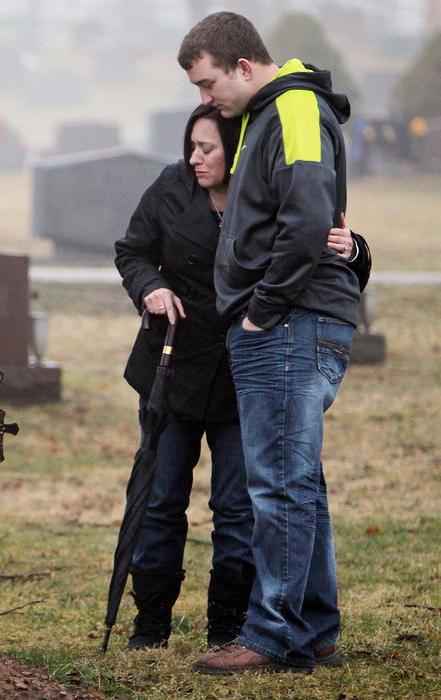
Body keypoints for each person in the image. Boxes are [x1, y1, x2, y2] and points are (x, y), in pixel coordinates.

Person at [114, 105, 370, 652]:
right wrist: (149, 287)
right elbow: (132, 250)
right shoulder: (171, 187)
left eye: (207, 148)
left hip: (245, 372)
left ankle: (229, 629)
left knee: (237, 509)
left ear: (238, 148)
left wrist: (355, 248)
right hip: (172, 369)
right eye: (191, 146)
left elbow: (320, 250)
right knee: (160, 501)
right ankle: (150, 626)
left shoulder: (268, 192)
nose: (194, 158)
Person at [177, 11, 363, 673]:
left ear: (244, 67)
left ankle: (274, 634)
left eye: (207, 83)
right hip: (288, 321)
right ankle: (312, 629)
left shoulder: (297, 112)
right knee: (298, 484)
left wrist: (261, 311)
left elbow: (310, 218)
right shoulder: (271, 114)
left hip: (289, 323)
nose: (205, 101)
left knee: (279, 488)